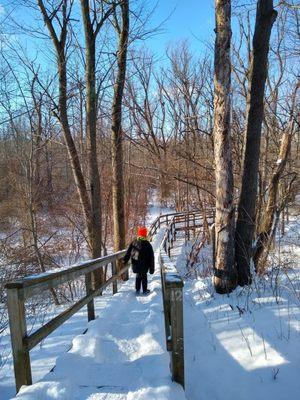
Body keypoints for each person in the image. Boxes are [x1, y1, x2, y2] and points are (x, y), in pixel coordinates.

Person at [123, 226, 155, 294]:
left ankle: (137, 289)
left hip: (135, 264)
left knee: (138, 275)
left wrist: (125, 260)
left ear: (139, 234)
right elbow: (151, 257)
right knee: (144, 276)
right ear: (145, 235)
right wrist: (152, 268)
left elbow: (128, 252)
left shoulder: (134, 242)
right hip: (145, 265)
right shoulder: (148, 244)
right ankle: (144, 290)